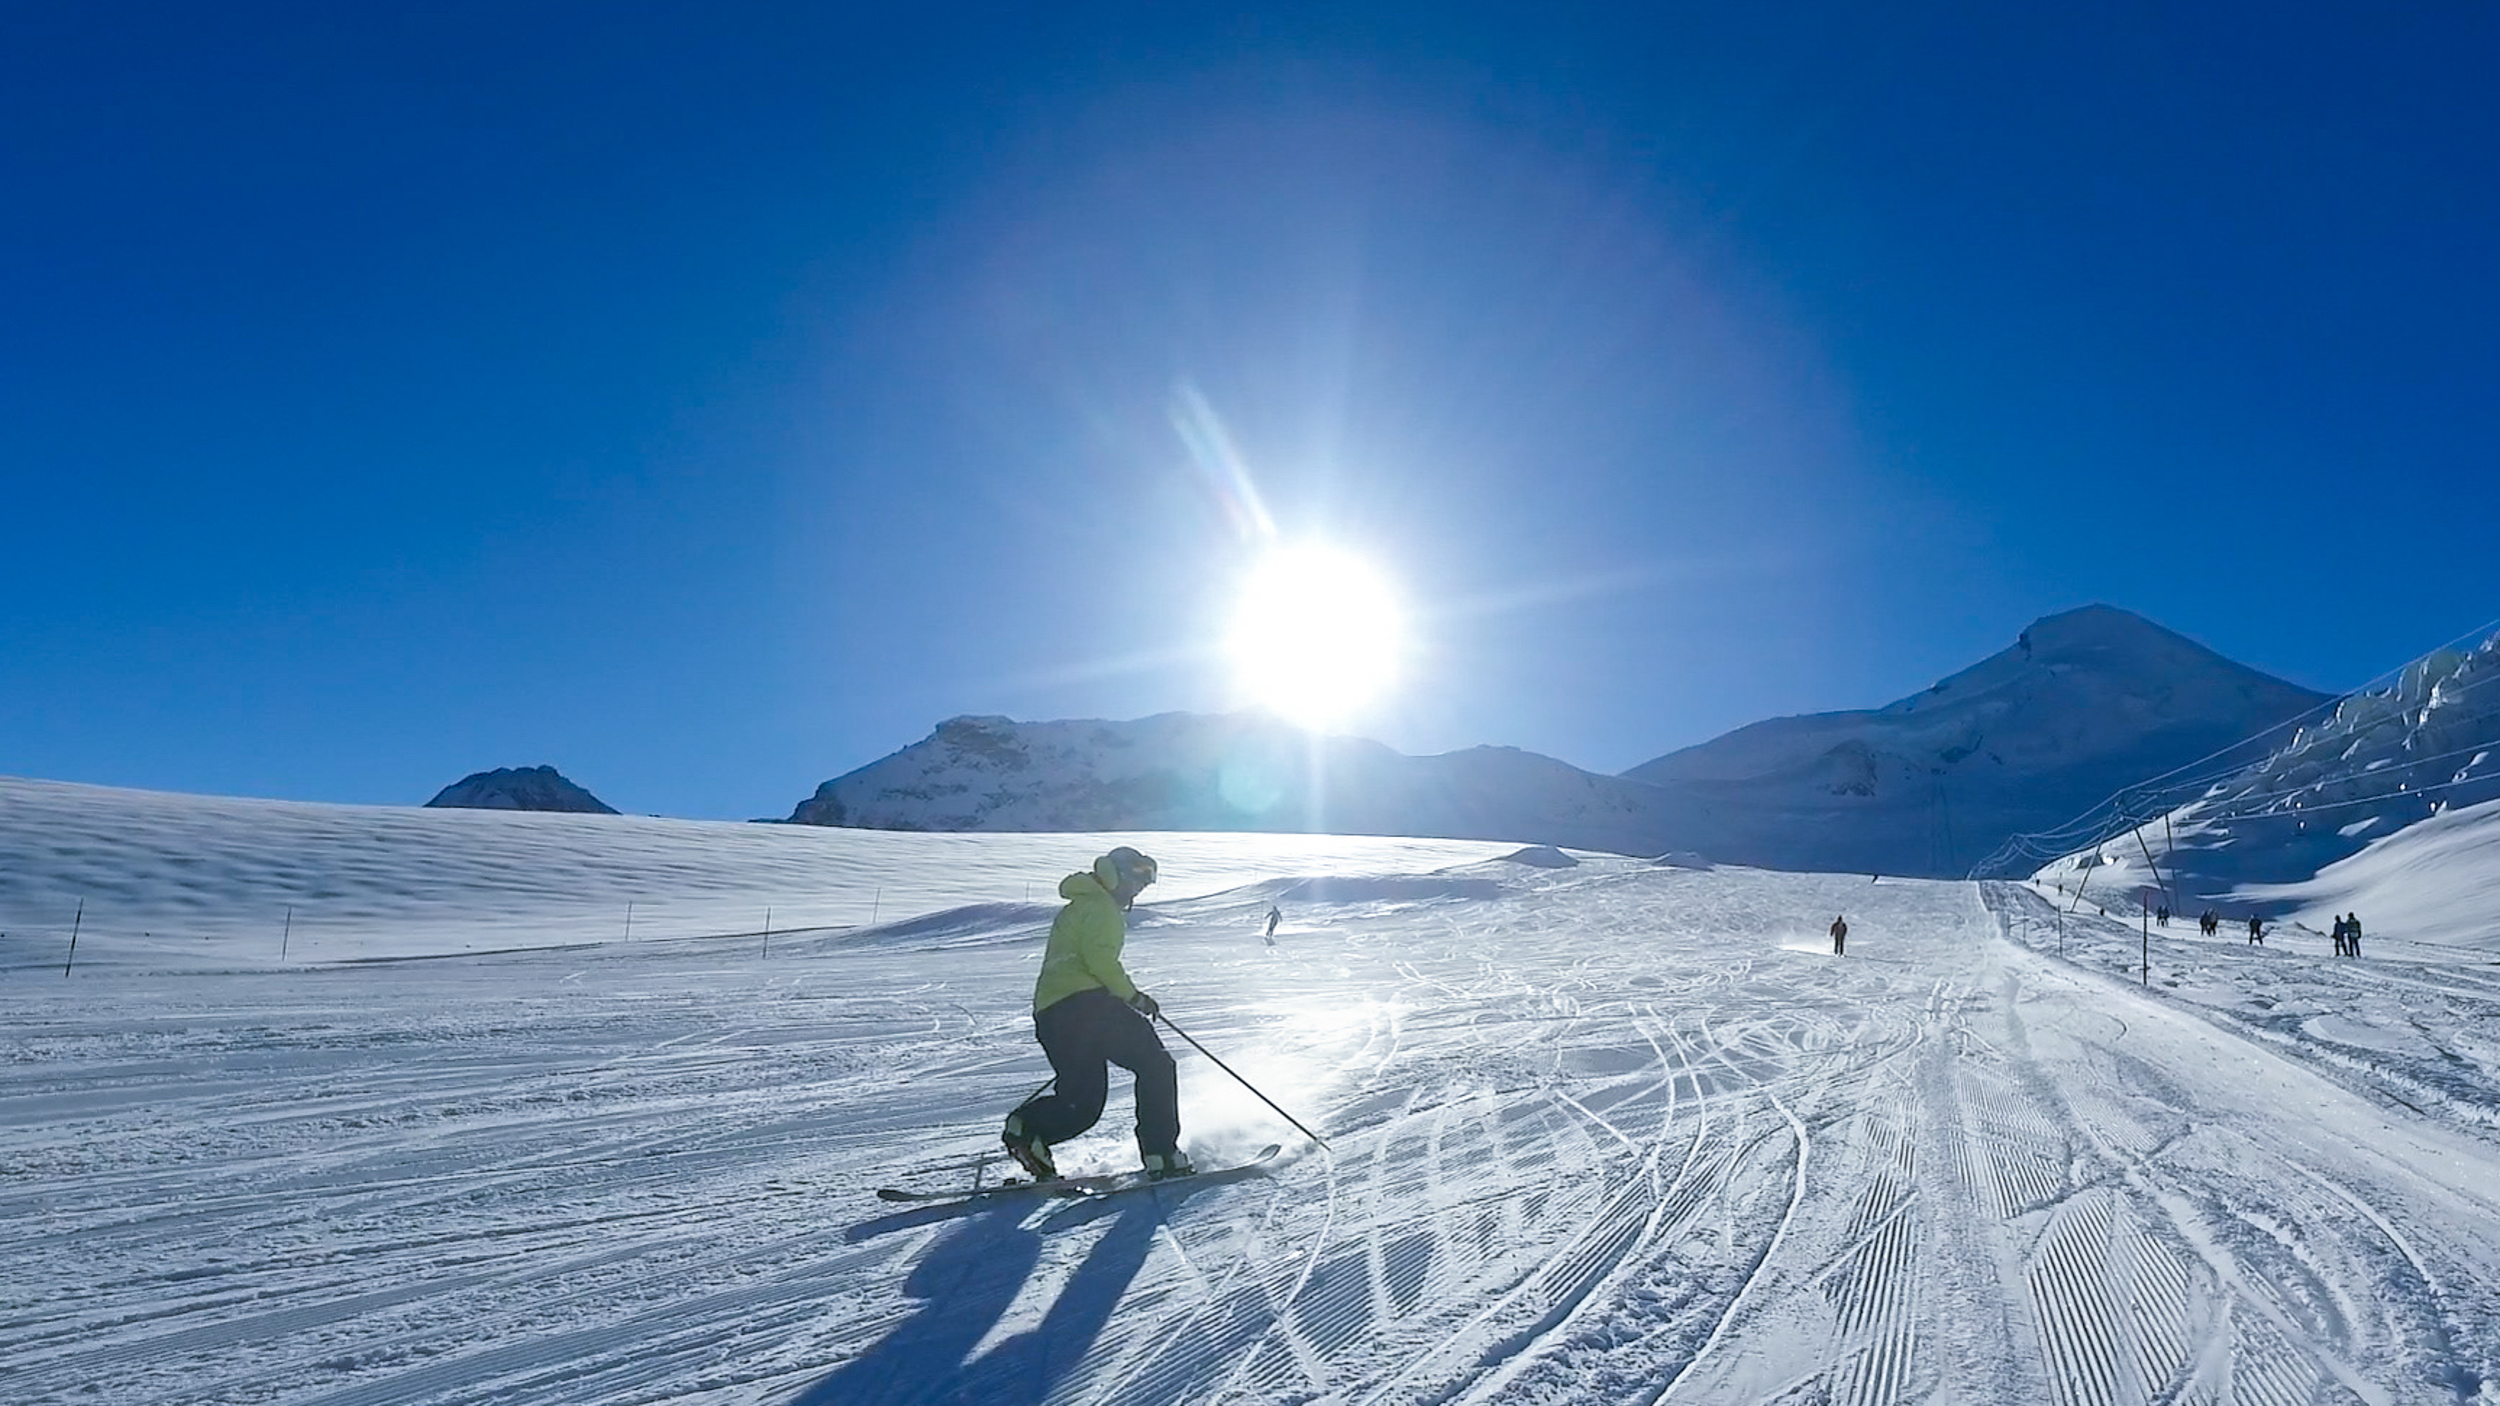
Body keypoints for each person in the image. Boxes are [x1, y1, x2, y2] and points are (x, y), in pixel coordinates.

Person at [1001, 847, 1193, 1182]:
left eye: (1147, 879)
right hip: (1090, 1008)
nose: (1140, 886)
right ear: (1115, 872)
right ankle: (1161, 1154)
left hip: (1052, 1015)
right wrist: (1133, 997)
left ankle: (1028, 1128)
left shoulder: (1079, 905)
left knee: (1082, 1104)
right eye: (1137, 875)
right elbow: (1100, 961)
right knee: (1156, 1065)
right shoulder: (1102, 908)